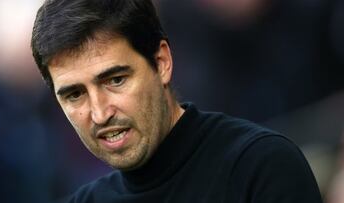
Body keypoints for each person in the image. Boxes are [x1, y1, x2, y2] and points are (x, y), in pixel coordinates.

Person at [31, 0, 323, 202]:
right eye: (74, 94)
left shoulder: (260, 167)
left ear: (162, 63)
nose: (99, 113)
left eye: (115, 80)